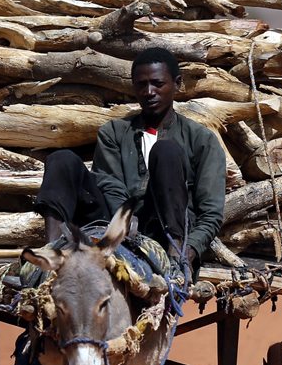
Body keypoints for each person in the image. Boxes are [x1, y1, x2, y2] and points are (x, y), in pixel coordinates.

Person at [32, 47, 226, 269]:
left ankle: (174, 260)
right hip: (113, 226)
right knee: (61, 160)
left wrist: (189, 252)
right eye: (141, 85)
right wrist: (123, 217)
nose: (149, 91)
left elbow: (211, 213)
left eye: (157, 83)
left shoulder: (201, 140)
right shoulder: (114, 132)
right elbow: (108, 182)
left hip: (164, 230)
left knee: (166, 151)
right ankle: (50, 256)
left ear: (177, 83)